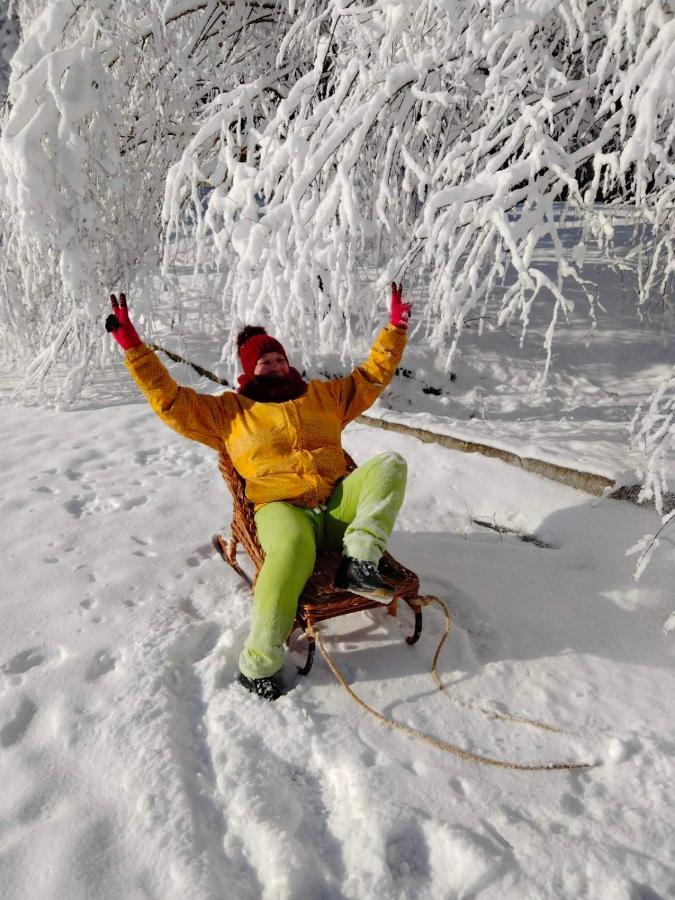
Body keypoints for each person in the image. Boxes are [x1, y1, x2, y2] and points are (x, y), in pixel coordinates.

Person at [106, 285, 411, 700]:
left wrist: (394, 329)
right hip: (282, 508)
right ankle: (257, 664)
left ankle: (358, 559)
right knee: (290, 553)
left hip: (338, 503)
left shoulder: (325, 396)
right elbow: (173, 402)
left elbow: (372, 375)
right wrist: (134, 348)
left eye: (278, 357)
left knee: (390, 464)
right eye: (263, 360)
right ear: (249, 370)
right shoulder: (228, 412)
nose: (273, 363)